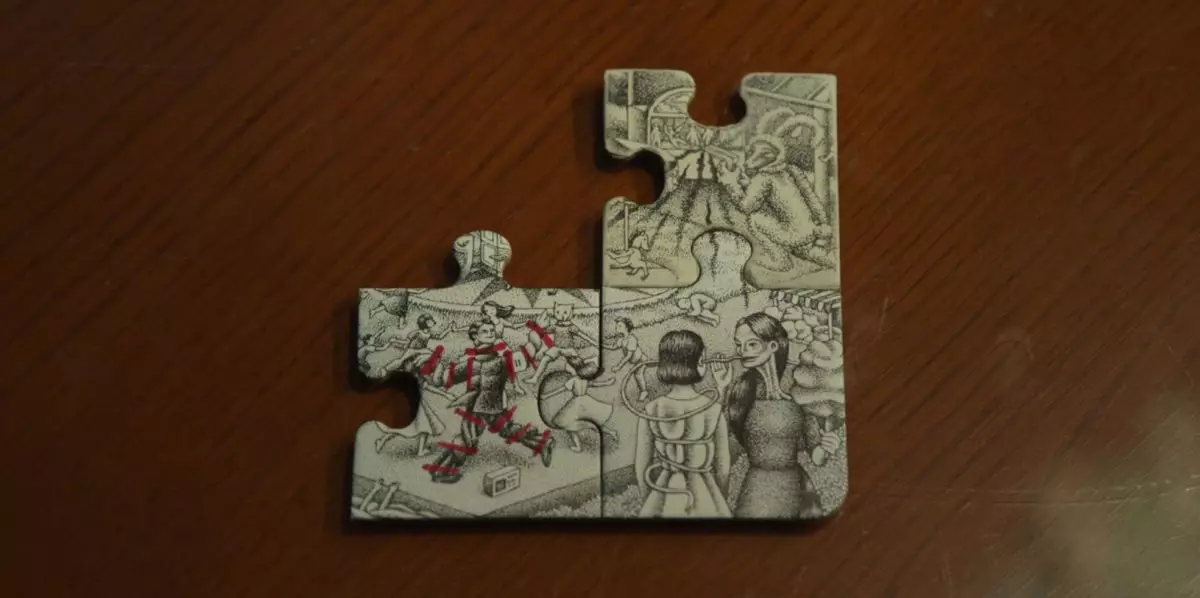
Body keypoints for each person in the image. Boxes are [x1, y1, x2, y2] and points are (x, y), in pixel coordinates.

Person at [719, 312, 840, 518]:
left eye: (751, 344)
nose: (742, 351)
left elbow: (816, 456)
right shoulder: (739, 394)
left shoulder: (799, 396)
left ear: (773, 346)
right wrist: (722, 389)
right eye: (739, 345)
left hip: (795, 487)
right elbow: (724, 447)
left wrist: (827, 446)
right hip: (757, 488)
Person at [422, 321, 555, 484]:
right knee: (505, 430)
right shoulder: (469, 363)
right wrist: (435, 365)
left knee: (467, 438)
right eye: (485, 331)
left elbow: (529, 352)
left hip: (482, 409)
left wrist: (538, 328)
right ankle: (542, 443)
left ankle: (443, 471)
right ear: (475, 337)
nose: (491, 333)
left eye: (492, 330)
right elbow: (442, 379)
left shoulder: (502, 361)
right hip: (487, 407)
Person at [634, 330, 732, 518]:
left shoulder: (652, 409)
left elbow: (641, 468)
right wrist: (719, 497)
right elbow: (723, 467)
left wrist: (651, 501)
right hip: (705, 495)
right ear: (700, 361)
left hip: (665, 494)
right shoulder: (713, 409)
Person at [541, 355, 618, 452]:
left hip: (577, 403)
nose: (567, 370)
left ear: (573, 369)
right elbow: (594, 384)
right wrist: (607, 383)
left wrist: (546, 395)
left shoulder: (573, 380)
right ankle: (611, 432)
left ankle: (578, 446)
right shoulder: (585, 379)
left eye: (569, 368)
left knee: (569, 426)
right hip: (586, 401)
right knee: (592, 423)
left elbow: (560, 390)